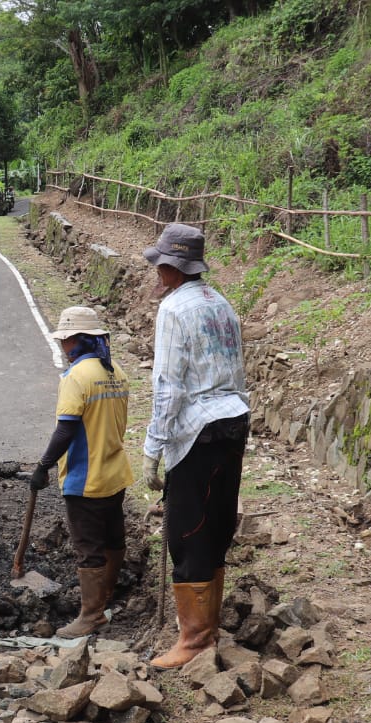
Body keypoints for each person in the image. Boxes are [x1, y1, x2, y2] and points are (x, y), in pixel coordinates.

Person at [140, 223, 250, 669]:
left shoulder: (174, 310)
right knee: (218, 523)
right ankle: (208, 628)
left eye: (161, 265)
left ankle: (195, 639)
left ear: (170, 268)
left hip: (197, 432)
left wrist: (153, 447)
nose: (157, 272)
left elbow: (169, 387)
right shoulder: (221, 304)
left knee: (188, 531)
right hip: (234, 422)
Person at [30, 306, 134, 638]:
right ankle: (105, 596)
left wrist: (43, 466)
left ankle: (92, 615)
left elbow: (66, 430)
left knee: (88, 547)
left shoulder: (76, 377)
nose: (63, 347)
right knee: (113, 538)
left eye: (65, 340)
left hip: (86, 478)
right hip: (115, 472)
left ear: (76, 341)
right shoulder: (115, 370)